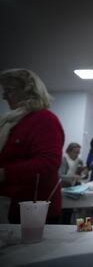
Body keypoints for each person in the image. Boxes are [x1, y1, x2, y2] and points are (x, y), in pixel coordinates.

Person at [0, 68, 64, 224]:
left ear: (28, 91)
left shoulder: (44, 120)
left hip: (33, 211)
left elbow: (48, 163)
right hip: (14, 205)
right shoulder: (12, 121)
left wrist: (4, 173)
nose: (5, 97)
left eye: (8, 91)